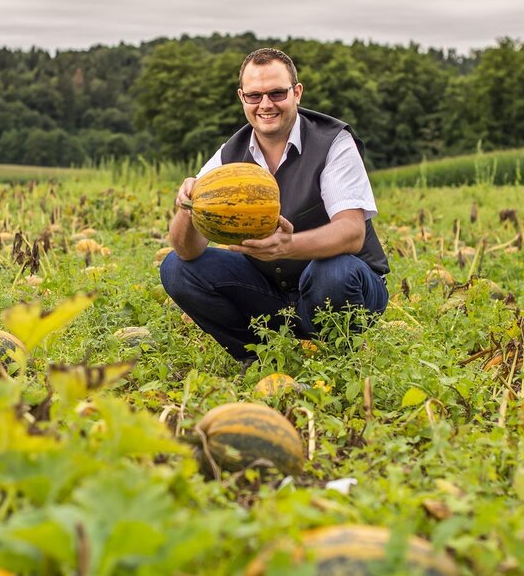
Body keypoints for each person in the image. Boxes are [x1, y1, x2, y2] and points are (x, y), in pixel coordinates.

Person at [160, 47, 389, 365]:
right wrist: (187, 206)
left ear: (297, 93)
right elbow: (188, 251)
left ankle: (337, 361)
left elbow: (352, 234)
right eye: (254, 96)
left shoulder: (333, 142)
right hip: (272, 292)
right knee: (177, 268)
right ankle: (257, 357)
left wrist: (288, 245)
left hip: (347, 286)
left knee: (335, 271)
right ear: (242, 97)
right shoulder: (230, 154)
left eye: (276, 93)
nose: (265, 105)